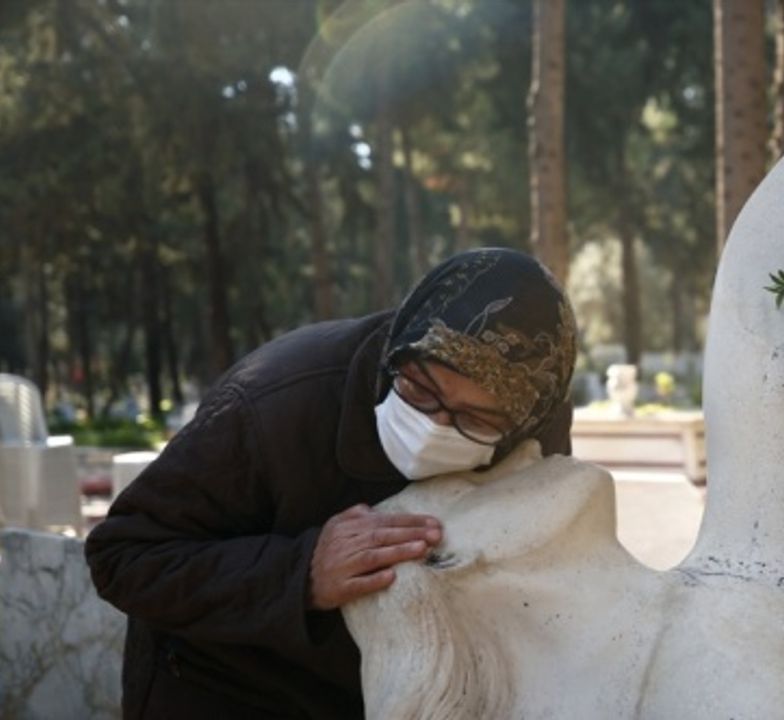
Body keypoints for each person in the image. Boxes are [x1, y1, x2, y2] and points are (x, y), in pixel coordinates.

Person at [85, 248, 578, 719]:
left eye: (474, 418)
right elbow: (123, 556)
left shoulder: (533, 422)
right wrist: (300, 575)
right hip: (216, 686)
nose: (436, 426)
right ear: (400, 344)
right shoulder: (274, 401)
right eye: (421, 389)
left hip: (365, 696)